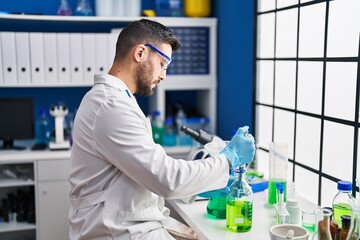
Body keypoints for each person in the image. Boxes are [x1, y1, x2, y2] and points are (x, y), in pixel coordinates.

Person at [68, 19, 255, 240]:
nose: (164, 75)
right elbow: (167, 179)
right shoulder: (110, 106)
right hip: (116, 232)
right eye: (163, 63)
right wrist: (228, 159)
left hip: (128, 223)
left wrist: (202, 186)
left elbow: (148, 173)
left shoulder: (117, 101)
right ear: (140, 53)